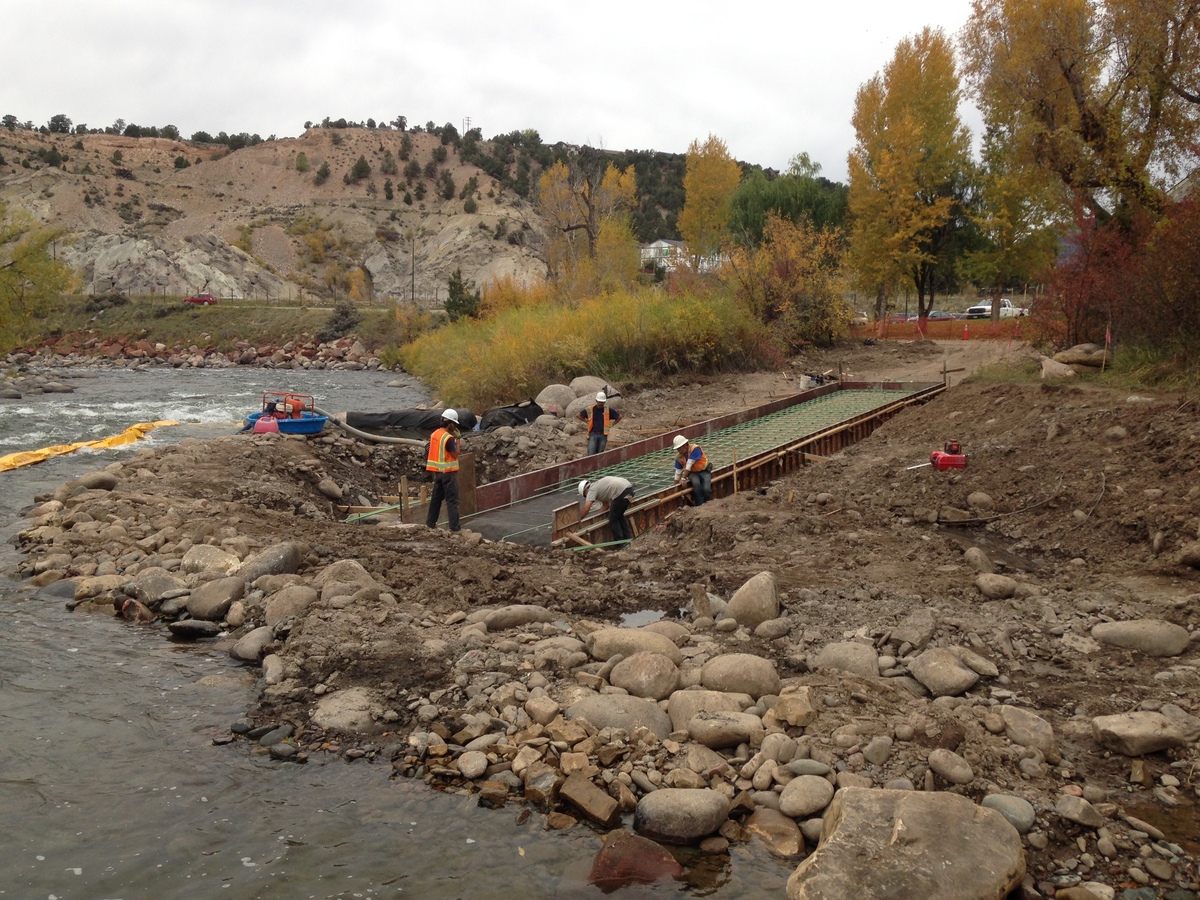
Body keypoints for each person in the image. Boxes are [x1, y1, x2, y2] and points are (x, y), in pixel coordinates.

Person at [425, 409, 462, 532]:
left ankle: (430, 524)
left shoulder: (434, 434)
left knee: (436, 499)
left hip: (437, 472)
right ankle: (455, 528)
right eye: (454, 424)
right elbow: (455, 454)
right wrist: (458, 440)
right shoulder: (449, 438)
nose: (455, 426)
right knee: (452, 500)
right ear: (449, 423)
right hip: (448, 473)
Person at [578, 476, 635, 543]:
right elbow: (606, 506)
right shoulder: (598, 486)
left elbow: (586, 508)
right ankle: (628, 539)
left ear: (585, 491)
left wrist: (578, 519)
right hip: (629, 488)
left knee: (613, 519)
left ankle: (620, 543)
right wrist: (597, 518)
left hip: (621, 492)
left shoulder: (591, 490)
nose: (587, 497)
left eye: (585, 496)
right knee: (619, 515)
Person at [672, 435, 712, 505]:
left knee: (706, 489)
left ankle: (707, 503)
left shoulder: (695, 449)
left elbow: (689, 464)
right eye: (677, 449)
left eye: (679, 448)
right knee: (696, 484)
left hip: (704, 471)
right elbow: (678, 472)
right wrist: (675, 487)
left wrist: (683, 478)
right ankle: (700, 504)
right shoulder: (679, 457)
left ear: (684, 445)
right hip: (692, 473)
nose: (678, 450)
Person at [578, 391, 621, 456]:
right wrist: (586, 421)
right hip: (593, 434)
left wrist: (612, 424)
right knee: (591, 454)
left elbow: (619, 417)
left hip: (603, 435)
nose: (601, 403)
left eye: (602, 402)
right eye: (600, 402)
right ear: (596, 400)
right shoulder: (591, 409)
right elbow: (578, 415)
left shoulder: (607, 410)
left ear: (605, 402)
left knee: (600, 454)